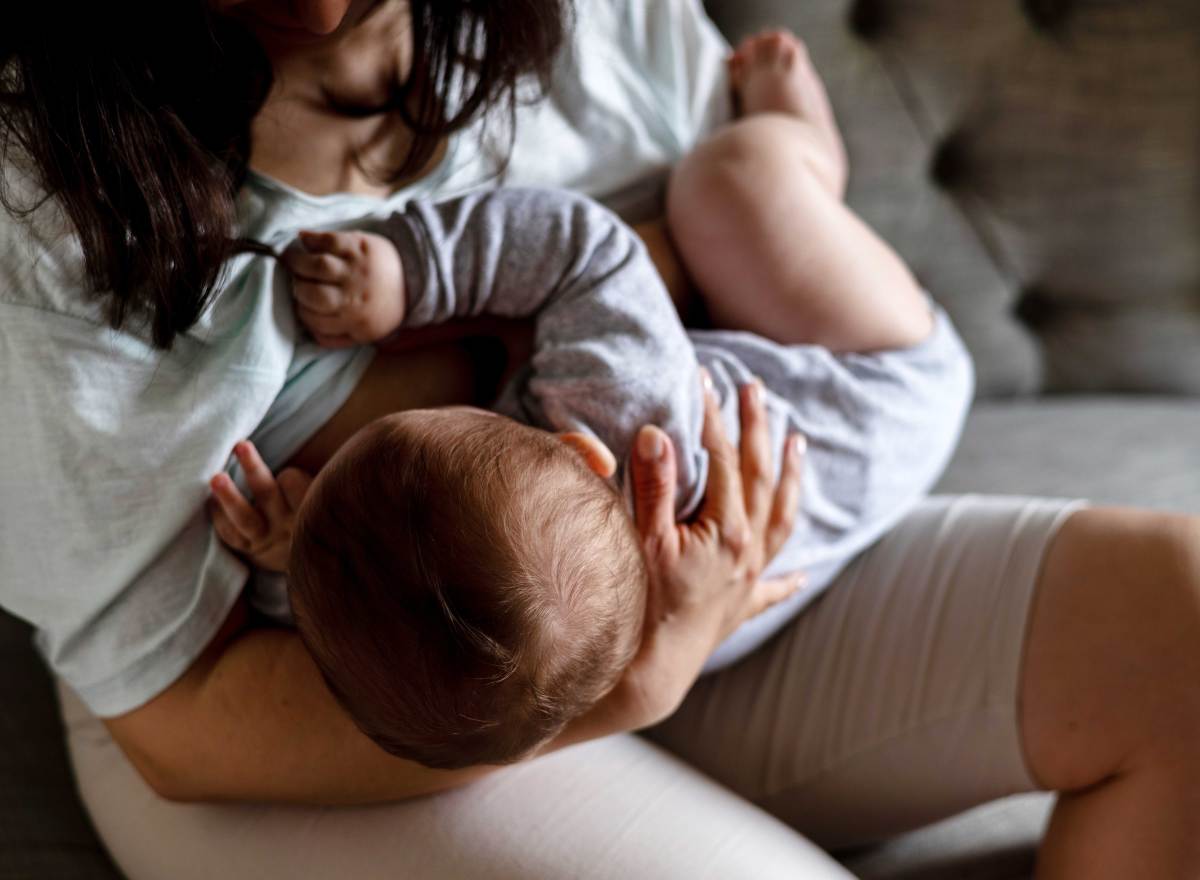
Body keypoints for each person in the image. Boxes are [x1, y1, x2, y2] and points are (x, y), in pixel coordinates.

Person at [2, 2, 1199, 878]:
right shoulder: (39, 202)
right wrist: (627, 685)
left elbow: (654, 258)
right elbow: (184, 717)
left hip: (691, 597)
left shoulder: (572, 25)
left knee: (1177, 624)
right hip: (284, 711)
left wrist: (657, 627)